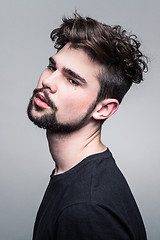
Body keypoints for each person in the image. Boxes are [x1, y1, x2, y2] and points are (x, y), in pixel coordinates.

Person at [27, 13, 148, 240]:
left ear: (103, 109)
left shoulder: (86, 209)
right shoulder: (75, 176)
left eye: (72, 80)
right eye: (52, 67)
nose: (48, 82)